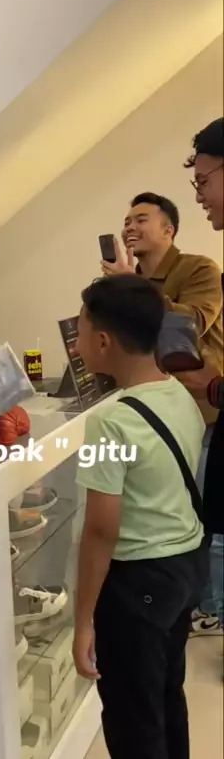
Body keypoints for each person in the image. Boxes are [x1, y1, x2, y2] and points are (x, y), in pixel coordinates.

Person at [73, 274, 208, 759]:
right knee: (167, 697)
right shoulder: (179, 394)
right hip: (183, 570)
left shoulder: (108, 422)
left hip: (136, 585)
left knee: (134, 721)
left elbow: (101, 530)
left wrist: (83, 621)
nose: (77, 341)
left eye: (81, 330)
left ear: (103, 342)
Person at [102, 190, 223, 636]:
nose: (130, 227)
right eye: (127, 221)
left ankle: (210, 607)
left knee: (204, 514)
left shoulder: (199, 269)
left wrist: (135, 290)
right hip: (148, 412)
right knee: (163, 513)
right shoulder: (127, 280)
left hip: (201, 409)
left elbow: (193, 322)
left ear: (168, 229)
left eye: (141, 219)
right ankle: (181, 602)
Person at [179, 117, 224, 636]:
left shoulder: (199, 270)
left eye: (204, 182)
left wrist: (213, 387)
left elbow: (191, 322)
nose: (199, 197)